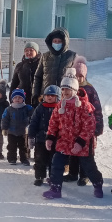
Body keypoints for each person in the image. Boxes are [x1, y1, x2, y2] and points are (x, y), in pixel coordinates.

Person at [42, 70, 102, 199]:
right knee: (57, 163)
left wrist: (80, 142)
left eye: (67, 89)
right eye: (63, 89)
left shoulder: (84, 106)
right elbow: (53, 122)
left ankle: (97, 183)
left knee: (88, 167)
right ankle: (55, 188)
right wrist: (50, 137)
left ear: (74, 90)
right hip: (64, 140)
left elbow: (89, 126)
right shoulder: (60, 106)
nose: (64, 92)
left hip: (82, 143)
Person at [64, 56, 104, 186]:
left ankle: (84, 175)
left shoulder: (90, 90)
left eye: (81, 76)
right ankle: (72, 173)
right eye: (77, 76)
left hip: (87, 127)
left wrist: (97, 127)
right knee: (73, 151)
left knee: (86, 153)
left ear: (85, 76)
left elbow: (97, 109)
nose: (79, 79)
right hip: (72, 128)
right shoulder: (69, 89)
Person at [31, 28, 76, 104]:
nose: (57, 43)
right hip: (47, 97)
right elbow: (38, 77)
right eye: (55, 41)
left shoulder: (72, 56)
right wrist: (35, 95)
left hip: (65, 98)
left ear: (65, 42)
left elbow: (77, 79)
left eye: (59, 41)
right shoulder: (45, 56)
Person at [28, 85, 60, 186]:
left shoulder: (60, 108)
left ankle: (52, 177)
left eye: (52, 95)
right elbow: (33, 122)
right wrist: (31, 136)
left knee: (53, 161)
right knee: (40, 159)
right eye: (47, 95)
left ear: (57, 96)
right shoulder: (40, 108)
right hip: (41, 139)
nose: (49, 97)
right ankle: (39, 177)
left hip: (55, 140)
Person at [1, 88, 33, 165]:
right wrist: (4, 128)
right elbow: (5, 119)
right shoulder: (9, 109)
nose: (17, 99)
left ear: (23, 99)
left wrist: (30, 126)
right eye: (15, 97)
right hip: (11, 132)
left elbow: (33, 116)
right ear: (12, 99)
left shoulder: (27, 108)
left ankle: (24, 159)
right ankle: (12, 158)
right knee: (11, 146)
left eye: (20, 98)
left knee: (24, 147)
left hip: (23, 132)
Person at [10, 42, 40, 106]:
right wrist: (11, 98)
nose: (28, 52)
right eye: (26, 50)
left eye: (31, 50)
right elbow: (14, 84)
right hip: (22, 100)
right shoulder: (20, 66)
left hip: (38, 100)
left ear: (36, 52)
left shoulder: (41, 65)